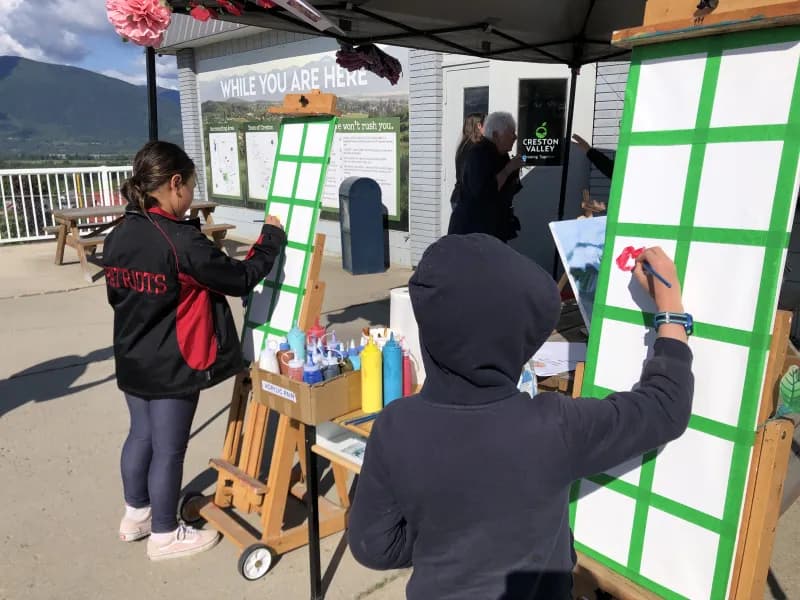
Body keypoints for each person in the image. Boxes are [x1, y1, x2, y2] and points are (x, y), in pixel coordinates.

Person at [348, 234, 693, 599]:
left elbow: (373, 546)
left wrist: (443, 539)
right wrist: (669, 308)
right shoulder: (554, 426)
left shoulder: (395, 425)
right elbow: (665, 406)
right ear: (520, 339)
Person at [103, 141, 286, 561]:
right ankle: (165, 534)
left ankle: (137, 515)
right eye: (190, 186)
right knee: (169, 449)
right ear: (174, 184)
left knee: (140, 435)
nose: (190, 196)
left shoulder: (121, 232)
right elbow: (240, 277)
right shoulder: (181, 240)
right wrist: (271, 238)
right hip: (175, 360)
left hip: (133, 355)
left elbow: (116, 297)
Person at [447, 111, 524, 242]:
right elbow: (484, 192)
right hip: (474, 229)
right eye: (511, 133)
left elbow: (508, 189)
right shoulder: (478, 154)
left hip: (493, 228)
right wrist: (509, 169)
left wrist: (514, 170)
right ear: (496, 135)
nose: (515, 137)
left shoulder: (502, 155)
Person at [449, 112, 485, 210]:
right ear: (478, 125)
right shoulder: (475, 149)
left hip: (459, 196)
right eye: (485, 124)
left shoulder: (463, 145)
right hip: (467, 200)